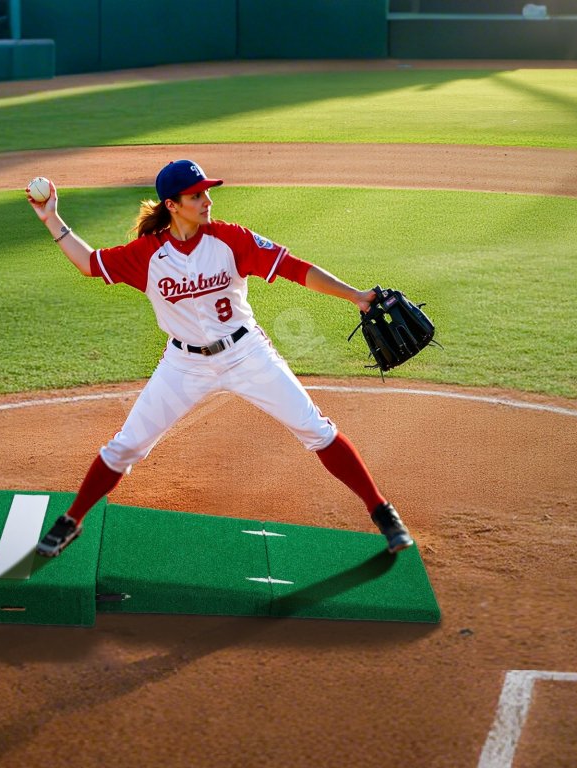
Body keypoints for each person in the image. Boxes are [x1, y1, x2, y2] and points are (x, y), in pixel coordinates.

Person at [25, 161, 414, 558]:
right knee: (126, 446)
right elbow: (89, 264)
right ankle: (72, 519)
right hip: (183, 366)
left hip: (247, 354)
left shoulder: (231, 239)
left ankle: (382, 510)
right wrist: (51, 218)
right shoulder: (147, 254)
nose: (207, 200)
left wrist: (355, 296)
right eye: (197, 195)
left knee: (315, 428)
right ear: (172, 205)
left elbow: (294, 268)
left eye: (207, 192)